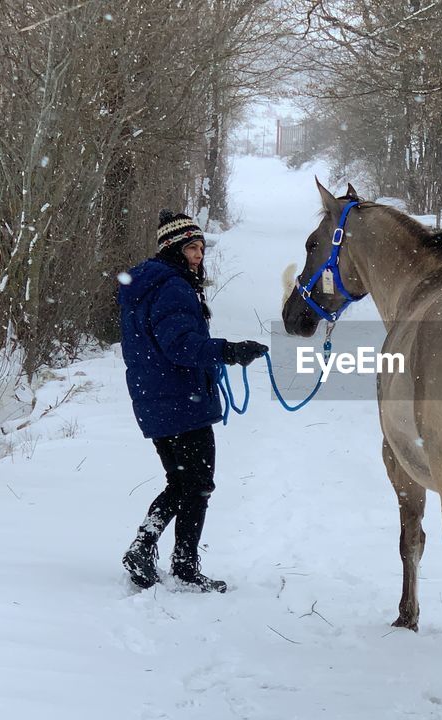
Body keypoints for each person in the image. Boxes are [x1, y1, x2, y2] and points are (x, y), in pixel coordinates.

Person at [116, 210, 268, 593]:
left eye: (200, 247)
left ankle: (152, 547)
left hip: (156, 398)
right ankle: (175, 562)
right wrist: (229, 351)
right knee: (196, 483)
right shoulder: (173, 287)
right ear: (173, 249)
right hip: (181, 398)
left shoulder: (146, 284)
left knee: (184, 481)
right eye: (191, 247)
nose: (198, 255)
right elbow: (180, 345)